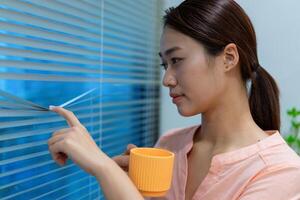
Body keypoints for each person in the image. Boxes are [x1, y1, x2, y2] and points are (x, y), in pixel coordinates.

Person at [48, 0, 300, 199]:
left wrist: (105, 169)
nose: (166, 79)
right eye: (164, 64)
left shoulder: (281, 172)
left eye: (176, 60)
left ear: (229, 58)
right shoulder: (169, 146)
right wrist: (124, 185)